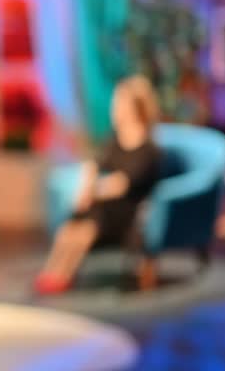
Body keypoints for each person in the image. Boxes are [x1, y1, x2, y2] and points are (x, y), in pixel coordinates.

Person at [35, 76, 162, 294]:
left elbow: (124, 183)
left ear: (135, 107)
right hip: (101, 202)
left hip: (126, 209)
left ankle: (64, 274)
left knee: (88, 225)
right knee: (70, 228)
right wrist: (87, 187)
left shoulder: (149, 149)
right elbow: (94, 163)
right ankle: (52, 272)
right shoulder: (114, 139)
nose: (116, 108)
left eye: (120, 102)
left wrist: (94, 192)